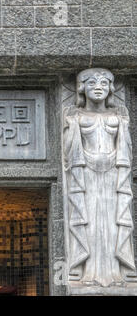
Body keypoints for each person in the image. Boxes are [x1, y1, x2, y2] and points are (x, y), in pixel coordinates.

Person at [64, 68, 136, 287]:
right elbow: (69, 151)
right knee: (88, 222)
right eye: (92, 83)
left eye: (104, 83)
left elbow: (127, 148)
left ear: (111, 89)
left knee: (113, 223)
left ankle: (117, 273)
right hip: (85, 175)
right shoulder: (75, 115)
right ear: (81, 88)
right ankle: (87, 271)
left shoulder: (119, 115)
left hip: (113, 176)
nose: (98, 87)